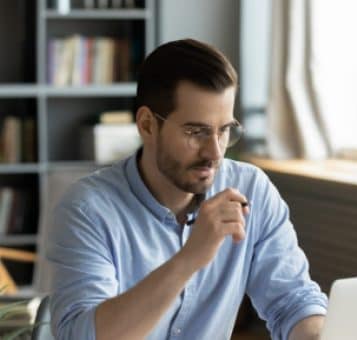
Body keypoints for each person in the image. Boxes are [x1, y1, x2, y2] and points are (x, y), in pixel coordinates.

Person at [46, 39, 327, 340]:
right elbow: (82, 336)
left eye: (224, 130)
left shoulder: (251, 189)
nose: (216, 153)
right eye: (196, 132)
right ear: (147, 125)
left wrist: (317, 333)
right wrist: (192, 256)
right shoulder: (87, 210)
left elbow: (293, 301)